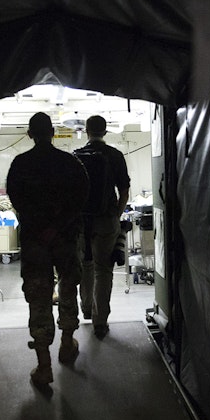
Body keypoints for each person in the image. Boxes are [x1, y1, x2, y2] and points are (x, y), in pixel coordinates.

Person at [6, 112, 89, 388]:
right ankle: (67, 344)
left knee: (39, 296)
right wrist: (59, 226)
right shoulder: (70, 163)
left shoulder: (20, 165)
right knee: (68, 288)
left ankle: (44, 366)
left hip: (35, 241)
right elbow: (81, 199)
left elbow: (17, 200)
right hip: (64, 239)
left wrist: (41, 227)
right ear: (53, 132)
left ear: (30, 134)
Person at [74, 115, 130, 339]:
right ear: (105, 132)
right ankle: (100, 322)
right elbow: (124, 192)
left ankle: (86, 308)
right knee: (103, 269)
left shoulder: (76, 156)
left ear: (86, 131)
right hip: (106, 220)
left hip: (82, 221)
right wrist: (115, 215)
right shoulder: (115, 155)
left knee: (86, 265)